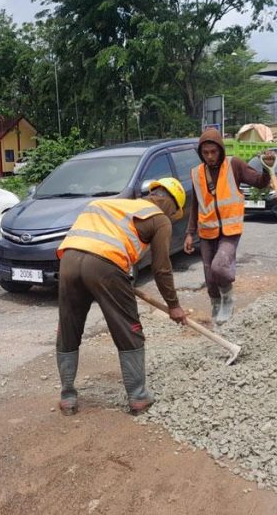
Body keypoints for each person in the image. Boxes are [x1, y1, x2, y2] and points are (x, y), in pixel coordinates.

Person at [55, 178, 188, 416]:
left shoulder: (117, 205)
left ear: (153, 192)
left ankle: (67, 397)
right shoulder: (160, 219)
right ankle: (138, 397)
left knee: (68, 327)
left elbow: (98, 239)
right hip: (104, 265)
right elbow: (161, 268)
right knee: (128, 329)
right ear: (172, 205)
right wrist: (174, 306)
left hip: (68, 260)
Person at [183, 127, 276, 326]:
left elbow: (259, 182)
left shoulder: (234, 165)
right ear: (201, 153)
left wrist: (267, 169)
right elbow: (194, 205)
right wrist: (190, 233)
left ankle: (228, 297)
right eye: (205, 153)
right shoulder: (197, 174)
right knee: (209, 275)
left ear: (221, 150)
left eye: (213, 152)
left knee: (219, 267)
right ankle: (216, 304)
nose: (210, 156)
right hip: (207, 231)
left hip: (230, 230)